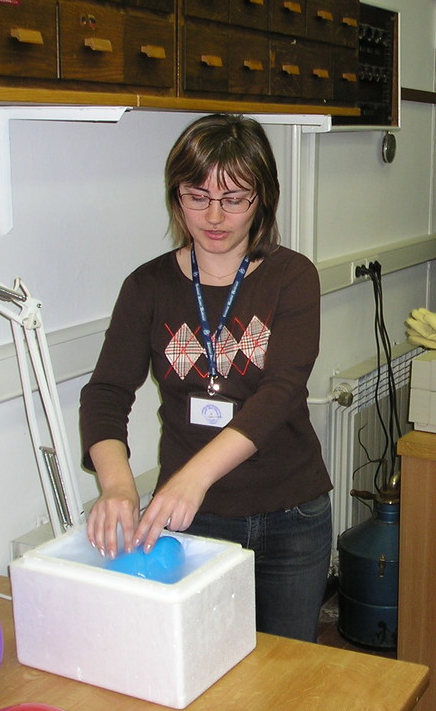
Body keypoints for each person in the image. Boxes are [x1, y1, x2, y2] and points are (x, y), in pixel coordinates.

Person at [80, 113, 332, 641]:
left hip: (290, 515)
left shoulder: (292, 277)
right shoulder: (147, 286)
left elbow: (280, 393)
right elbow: (105, 394)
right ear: (176, 196)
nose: (214, 217)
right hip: (195, 522)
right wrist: (118, 486)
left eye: (234, 199)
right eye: (197, 197)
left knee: (288, 673)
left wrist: (191, 477)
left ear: (263, 199)